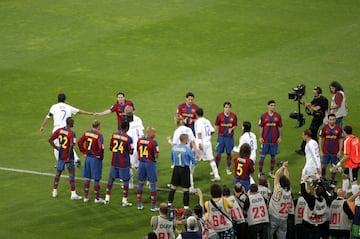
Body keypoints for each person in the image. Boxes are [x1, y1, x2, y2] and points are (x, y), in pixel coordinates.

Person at [40, 93, 93, 166]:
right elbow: (79, 111)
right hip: (66, 129)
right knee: (69, 144)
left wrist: (42, 126)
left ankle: (59, 163)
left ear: (57, 99)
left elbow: (48, 116)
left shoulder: (54, 107)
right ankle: (76, 159)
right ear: (65, 99)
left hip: (57, 129)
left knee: (56, 146)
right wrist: (89, 113)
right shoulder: (68, 107)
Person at [48, 117, 82, 200]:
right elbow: (71, 146)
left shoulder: (59, 130)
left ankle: (54, 191)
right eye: (73, 122)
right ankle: (73, 194)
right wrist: (69, 157)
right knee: (71, 174)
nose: (74, 123)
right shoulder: (71, 133)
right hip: (68, 157)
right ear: (70, 123)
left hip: (61, 155)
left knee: (58, 173)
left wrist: (56, 147)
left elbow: (50, 139)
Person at [167, 115, 200, 192]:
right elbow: (193, 142)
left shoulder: (177, 131)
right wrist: (196, 152)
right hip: (188, 152)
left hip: (180, 154)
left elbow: (174, 145)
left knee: (179, 170)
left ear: (177, 122)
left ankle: (188, 187)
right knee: (188, 170)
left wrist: (169, 141)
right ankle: (186, 186)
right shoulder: (188, 129)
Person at [104, 121, 133, 206]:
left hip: (114, 161)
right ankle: (124, 201)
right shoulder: (128, 138)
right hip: (123, 162)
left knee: (111, 178)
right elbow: (131, 151)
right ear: (127, 128)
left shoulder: (114, 135)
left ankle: (107, 198)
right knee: (125, 180)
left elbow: (110, 147)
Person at [168, 134, 198, 209]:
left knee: (173, 187)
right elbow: (194, 161)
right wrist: (195, 160)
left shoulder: (174, 148)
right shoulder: (187, 149)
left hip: (176, 168)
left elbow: (172, 158)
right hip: (184, 169)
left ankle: (169, 204)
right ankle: (186, 207)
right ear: (185, 140)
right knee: (186, 189)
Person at [77, 120, 104, 203]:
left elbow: (79, 142)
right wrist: (100, 156)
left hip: (88, 158)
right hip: (95, 159)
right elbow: (100, 148)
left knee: (87, 177)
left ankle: (85, 197)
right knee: (96, 179)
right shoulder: (99, 135)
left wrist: (84, 152)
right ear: (98, 126)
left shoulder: (87, 133)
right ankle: (97, 198)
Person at [296, 86, 328, 155]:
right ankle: (316, 148)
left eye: (315, 93)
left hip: (319, 118)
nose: (314, 94)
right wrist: (301, 102)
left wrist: (309, 106)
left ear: (319, 92)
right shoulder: (317, 98)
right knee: (313, 133)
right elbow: (310, 104)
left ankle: (303, 149)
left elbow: (315, 108)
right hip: (316, 118)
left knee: (309, 133)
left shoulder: (323, 100)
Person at [300, 175, 332, 239]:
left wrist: (303, 181)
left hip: (310, 224)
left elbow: (304, 193)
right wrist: (318, 181)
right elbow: (324, 192)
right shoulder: (326, 200)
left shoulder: (312, 201)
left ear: (315, 192)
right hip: (320, 225)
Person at [194, 107, 220, 182]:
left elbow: (199, 133)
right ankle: (217, 175)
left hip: (201, 143)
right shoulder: (207, 120)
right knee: (211, 159)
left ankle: (190, 175)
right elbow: (213, 130)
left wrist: (199, 143)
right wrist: (208, 137)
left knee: (194, 159)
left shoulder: (198, 122)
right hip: (208, 143)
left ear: (196, 114)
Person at [136, 127, 160, 211]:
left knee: (140, 183)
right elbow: (156, 155)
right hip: (150, 164)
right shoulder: (153, 142)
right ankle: (153, 206)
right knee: (153, 183)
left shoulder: (139, 140)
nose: (155, 134)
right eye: (154, 133)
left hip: (141, 163)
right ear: (150, 133)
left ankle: (139, 204)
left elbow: (137, 150)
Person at [258, 99, 282, 178]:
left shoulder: (278, 116)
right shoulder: (263, 116)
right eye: (271, 105)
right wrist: (260, 137)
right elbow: (261, 127)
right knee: (262, 156)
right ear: (268, 106)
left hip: (274, 140)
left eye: (274, 106)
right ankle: (260, 172)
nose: (273, 107)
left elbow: (280, 127)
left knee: (273, 156)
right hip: (265, 140)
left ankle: (271, 172)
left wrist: (280, 137)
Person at [268, 161, 293, 239]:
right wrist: (285, 168)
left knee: (267, 236)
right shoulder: (289, 191)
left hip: (274, 218)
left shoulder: (278, 191)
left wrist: (282, 167)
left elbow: (277, 175)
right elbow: (287, 178)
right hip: (284, 219)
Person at [334, 125, 360, 194]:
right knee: (344, 176)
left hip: (352, 164)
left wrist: (338, 164)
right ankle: (344, 193)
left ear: (344, 132)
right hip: (357, 162)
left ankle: (357, 201)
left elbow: (346, 155)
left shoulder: (347, 141)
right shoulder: (356, 139)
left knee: (353, 182)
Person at [123, 105, 145, 189]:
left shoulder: (126, 123)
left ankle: (131, 183)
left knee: (129, 165)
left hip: (133, 148)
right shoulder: (138, 119)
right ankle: (145, 180)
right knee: (138, 165)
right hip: (140, 146)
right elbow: (142, 133)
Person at [214, 101, 238, 175]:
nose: (227, 109)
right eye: (226, 107)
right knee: (218, 153)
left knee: (229, 154)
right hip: (221, 137)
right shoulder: (219, 116)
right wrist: (215, 132)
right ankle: (215, 169)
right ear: (224, 108)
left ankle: (228, 168)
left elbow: (235, 125)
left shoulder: (233, 116)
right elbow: (216, 125)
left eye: (229, 107)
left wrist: (232, 129)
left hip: (229, 138)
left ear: (230, 108)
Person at [318, 113, 343, 180]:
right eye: (330, 119)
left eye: (333, 119)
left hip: (335, 151)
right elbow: (321, 139)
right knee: (323, 165)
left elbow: (340, 140)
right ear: (328, 120)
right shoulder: (324, 128)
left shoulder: (339, 128)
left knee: (334, 166)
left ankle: (332, 179)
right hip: (326, 151)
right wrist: (320, 150)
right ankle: (323, 178)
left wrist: (340, 151)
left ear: (335, 120)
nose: (332, 121)